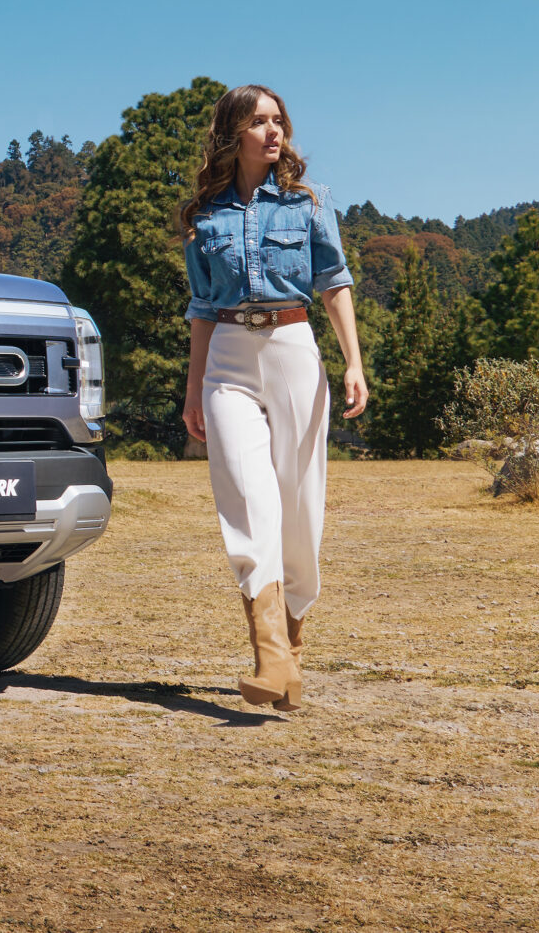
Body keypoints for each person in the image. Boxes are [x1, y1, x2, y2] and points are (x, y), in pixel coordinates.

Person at [179, 85, 370, 709]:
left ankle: (292, 642)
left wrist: (353, 362)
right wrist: (193, 390)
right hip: (227, 359)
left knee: (299, 505)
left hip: (293, 350)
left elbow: (334, 282)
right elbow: (201, 307)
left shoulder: (308, 203)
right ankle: (269, 652)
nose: (273, 131)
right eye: (259, 121)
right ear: (232, 132)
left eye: (278, 120)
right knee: (246, 495)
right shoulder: (203, 216)